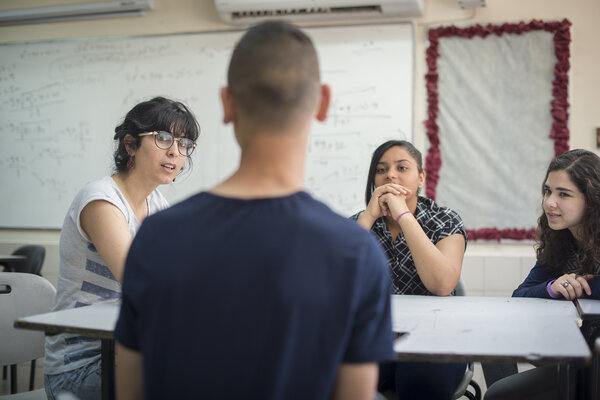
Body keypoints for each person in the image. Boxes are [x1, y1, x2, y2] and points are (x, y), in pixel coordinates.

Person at [114, 20, 394, 400]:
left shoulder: (157, 237)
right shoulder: (357, 253)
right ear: (323, 103)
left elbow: (131, 391)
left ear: (227, 104)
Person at [43, 96, 200, 400]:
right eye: (163, 138)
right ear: (130, 145)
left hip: (124, 350)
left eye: (184, 143)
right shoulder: (101, 200)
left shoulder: (156, 205)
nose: (175, 151)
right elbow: (141, 283)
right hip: (78, 367)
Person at [352, 140, 468, 400]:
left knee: (420, 384)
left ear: (420, 178)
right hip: (374, 336)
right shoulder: (358, 223)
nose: (390, 175)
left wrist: (404, 215)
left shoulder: (445, 220)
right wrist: (368, 218)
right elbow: (339, 285)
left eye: (402, 167)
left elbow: (441, 284)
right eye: (381, 170)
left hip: (434, 338)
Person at [484, 149, 600, 400]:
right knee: (491, 334)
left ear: (591, 199)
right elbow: (519, 296)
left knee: (497, 395)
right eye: (548, 191)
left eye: (563, 194)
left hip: (593, 363)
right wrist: (553, 287)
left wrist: (588, 286)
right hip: (570, 351)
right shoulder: (561, 239)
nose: (549, 202)